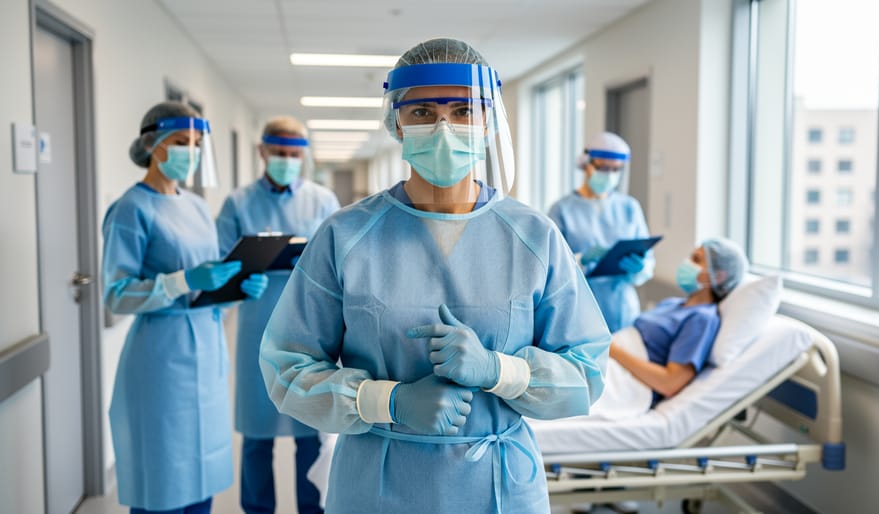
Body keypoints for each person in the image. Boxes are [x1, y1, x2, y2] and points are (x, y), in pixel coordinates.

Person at [258, 38, 610, 514]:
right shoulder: (347, 235)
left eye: (464, 110)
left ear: (488, 122)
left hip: (498, 486)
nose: (444, 127)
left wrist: (498, 370)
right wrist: (389, 401)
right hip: (378, 483)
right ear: (396, 123)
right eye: (423, 111)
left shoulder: (533, 236)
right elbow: (287, 367)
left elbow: (586, 372)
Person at [103, 101, 268, 514]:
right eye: (180, 142)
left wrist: (236, 288)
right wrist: (183, 281)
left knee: (201, 478)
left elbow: (208, 280)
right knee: (162, 479)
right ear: (152, 144)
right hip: (160, 360)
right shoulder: (130, 209)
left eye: (196, 143)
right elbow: (116, 295)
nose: (190, 152)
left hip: (207, 352)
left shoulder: (195, 206)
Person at [216, 116, 339, 514]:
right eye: (279, 153)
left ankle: (312, 508)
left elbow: (342, 262)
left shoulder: (323, 201)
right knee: (256, 435)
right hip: (257, 326)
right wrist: (239, 278)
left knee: (310, 431)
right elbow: (219, 267)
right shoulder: (238, 203)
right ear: (262, 151)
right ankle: (256, 508)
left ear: (303, 155)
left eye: (293, 154)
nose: (286, 160)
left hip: (310, 327)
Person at [608, 238, 748, 405]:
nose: (687, 263)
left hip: (626, 382)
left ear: (718, 276)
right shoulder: (672, 303)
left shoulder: (701, 318)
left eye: (696, 260)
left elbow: (669, 383)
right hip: (611, 361)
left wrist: (612, 349)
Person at [548, 132, 654, 332]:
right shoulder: (562, 210)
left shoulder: (629, 207)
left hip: (622, 309)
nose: (610, 175)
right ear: (586, 164)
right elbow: (551, 265)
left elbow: (648, 260)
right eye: (603, 168)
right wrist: (581, 259)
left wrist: (640, 267)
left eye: (616, 170)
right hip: (578, 309)